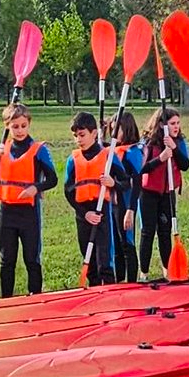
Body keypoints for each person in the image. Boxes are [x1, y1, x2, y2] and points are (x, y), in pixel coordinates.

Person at [0, 103, 56, 297]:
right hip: (7, 212)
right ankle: (6, 299)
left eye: (23, 125)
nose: (20, 130)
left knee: (32, 258)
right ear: (7, 126)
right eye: (15, 126)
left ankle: (35, 296)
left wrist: (35, 188)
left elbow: (52, 179)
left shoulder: (38, 150)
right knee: (7, 260)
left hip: (29, 213)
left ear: (29, 124)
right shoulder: (2, 151)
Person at [64, 111, 126, 287]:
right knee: (89, 260)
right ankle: (93, 291)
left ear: (94, 133)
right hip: (83, 214)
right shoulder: (73, 160)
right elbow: (68, 192)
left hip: (102, 214)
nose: (78, 139)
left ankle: (110, 293)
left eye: (82, 135)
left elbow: (126, 182)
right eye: (76, 136)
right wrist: (84, 214)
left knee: (104, 261)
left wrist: (113, 183)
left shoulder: (108, 156)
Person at [138, 107, 189, 280]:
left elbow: (185, 165)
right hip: (148, 193)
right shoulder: (149, 142)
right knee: (148, 231)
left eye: (178, 123)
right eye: (172, 124)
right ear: (162, 125)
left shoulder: (179, 142)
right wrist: (160, 158)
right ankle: (143, 272)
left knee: (165, 231)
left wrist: (174, 149)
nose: (176, 127)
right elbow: (142, 168)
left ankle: (168, 270)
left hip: (167, 193)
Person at [108, 111, 145, 283]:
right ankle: (119, 280)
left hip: (126, 204)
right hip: (112, 205)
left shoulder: (132, 152)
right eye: (112, 128)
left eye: (118, 128)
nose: (114, 132)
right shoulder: (110, 151)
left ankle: (132, 282)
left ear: (127, 129)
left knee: (127, 244)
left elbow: (137, 183)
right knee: (115, 245)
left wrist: (130, 210)